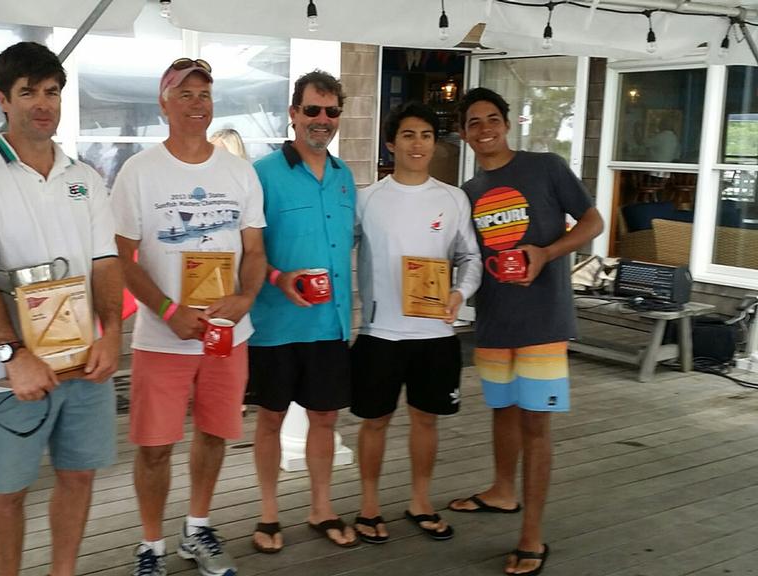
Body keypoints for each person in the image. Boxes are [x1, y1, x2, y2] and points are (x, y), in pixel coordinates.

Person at [0, 42, 122, 576]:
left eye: (51, 92)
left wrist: (113, 331)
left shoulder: (84, 177)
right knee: (7, 490)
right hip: (12, 373)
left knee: (80, 475)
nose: (42, 104)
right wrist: (12, 353)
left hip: (84, 363)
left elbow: (106, 262)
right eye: (28, 93)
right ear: (3, 99)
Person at [112, 58, 267, 576]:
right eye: (184, 94)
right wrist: (166, 310)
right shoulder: (138, 171)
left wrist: (245, 298)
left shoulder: (238, 171)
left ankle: (197, 527)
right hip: (163, 337)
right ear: (164, 103)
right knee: (154, 448)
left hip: (227, 335)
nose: (196, 104)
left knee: (215, 433)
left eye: (203, 94)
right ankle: (151, 546)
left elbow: (255, 250)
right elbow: (121, 259)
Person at [450, 87, 603, 576]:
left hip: (542, 319)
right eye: (474, 122)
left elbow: (593, 221)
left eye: (492, 118)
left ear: (507, 122)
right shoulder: (469, 193)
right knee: (503, 411)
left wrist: (547, 253)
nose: (484, 129)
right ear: (464, 133)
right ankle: (501, 490)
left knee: (536, 423)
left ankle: (532, 536)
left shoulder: (546, 167)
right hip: (495, 320)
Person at [351, 100, 481, 544]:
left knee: (427, 420)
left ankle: (420, 501)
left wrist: (460, 292)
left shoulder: (453, 198)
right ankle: (368, 507)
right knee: (375, 422)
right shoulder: (366, 199)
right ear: (391, 143)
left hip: (435, 333)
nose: (418, 143)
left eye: (426, 135)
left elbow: (469, 258)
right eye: (408, 135)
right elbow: (335, 252)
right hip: (379, 332)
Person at [248, 70, 358, 552]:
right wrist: (277, 278)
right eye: (312, 109)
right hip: (275, 324)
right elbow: (242, 249)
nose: (322, 119)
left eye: (331, 111)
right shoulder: (261, 173)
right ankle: (269, 514)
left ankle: (321, 507)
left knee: (326, 420)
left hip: (330, 323)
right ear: (293, 114)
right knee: (270, 419)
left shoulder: (344, 177)